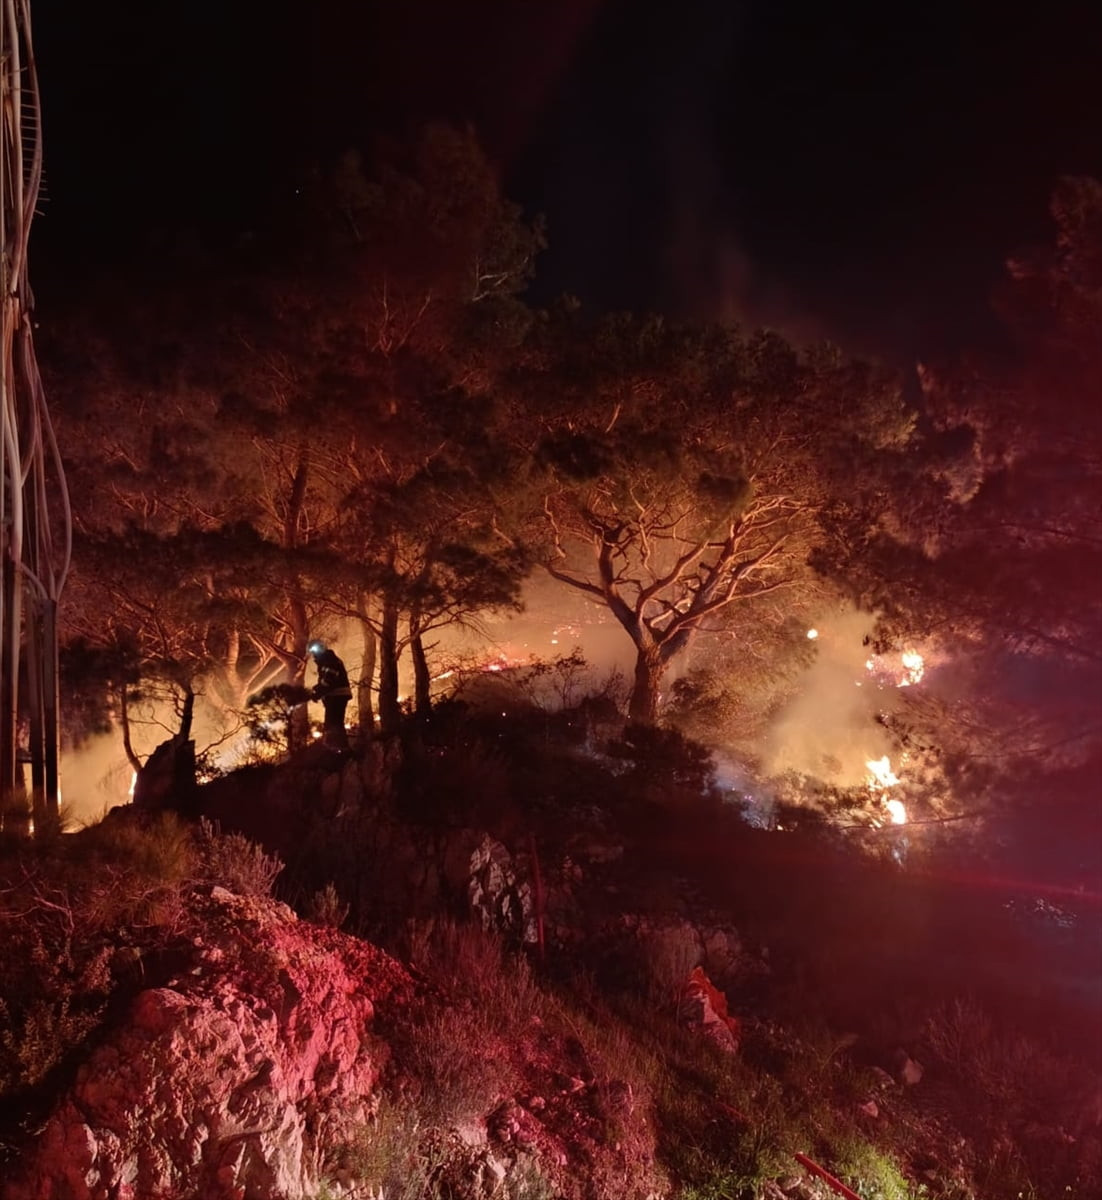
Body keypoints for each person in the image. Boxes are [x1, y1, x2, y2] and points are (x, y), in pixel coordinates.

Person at [307, 640, 352, 749]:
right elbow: (326, 681)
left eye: (315, 650)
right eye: (312, 651)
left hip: (337, 696)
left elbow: (329, 680)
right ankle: (341, 749)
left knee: (333, 724)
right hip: (335, 696)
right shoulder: (326, 661)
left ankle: (337, 749)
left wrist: (318, 693)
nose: (314, 654)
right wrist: (317, 689)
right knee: (335, 723)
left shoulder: (329, 660)